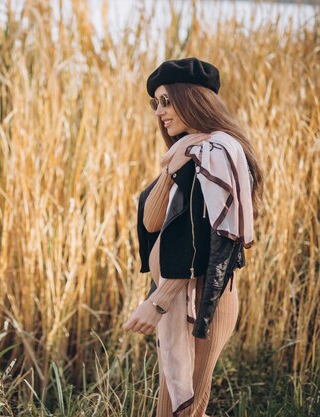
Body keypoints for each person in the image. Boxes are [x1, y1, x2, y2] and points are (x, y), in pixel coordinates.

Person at [122, 57, 263, 416]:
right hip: (175, 300)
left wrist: (158, 300)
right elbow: (153, 223)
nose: (159, 112)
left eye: (167, 101)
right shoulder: (188, 152)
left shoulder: (218, 153)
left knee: (187, 410)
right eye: (156, 103)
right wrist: (171, 166)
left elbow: (214, 238)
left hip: (204, 301)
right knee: (169, 408)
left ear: (193, 100)